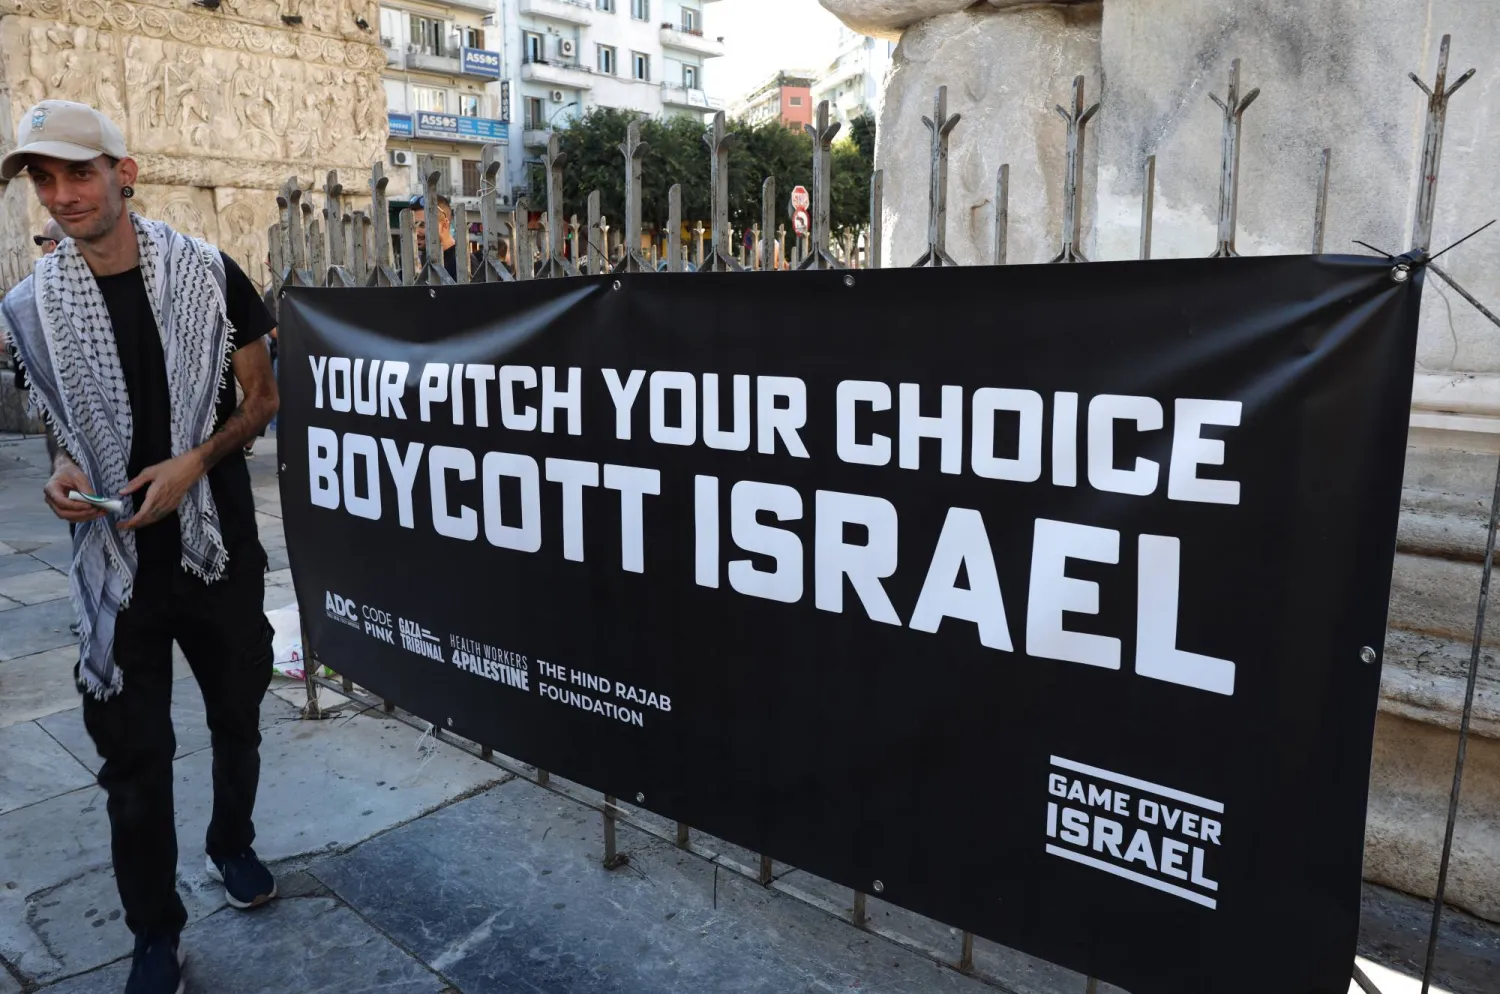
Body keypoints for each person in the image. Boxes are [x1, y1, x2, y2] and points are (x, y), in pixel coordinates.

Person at [0, 100, 279, 994]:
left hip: (217, 549)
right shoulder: (31, 306)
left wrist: (192, 463)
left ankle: (231, 842)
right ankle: (153, 930)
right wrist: (61, 471)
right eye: (43, 179)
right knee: (132, 763)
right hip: (115, 567)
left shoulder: (210, 275)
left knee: (238, 720)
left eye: (78, 173)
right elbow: (61, 430)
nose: (62, 195)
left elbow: (263, 401)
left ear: (126, 171)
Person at [409, 193, 457, 280]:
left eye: (422, 225)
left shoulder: (462, 263)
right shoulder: (421, 260)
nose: (416, 232)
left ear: (444, 225)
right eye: (413, 225)